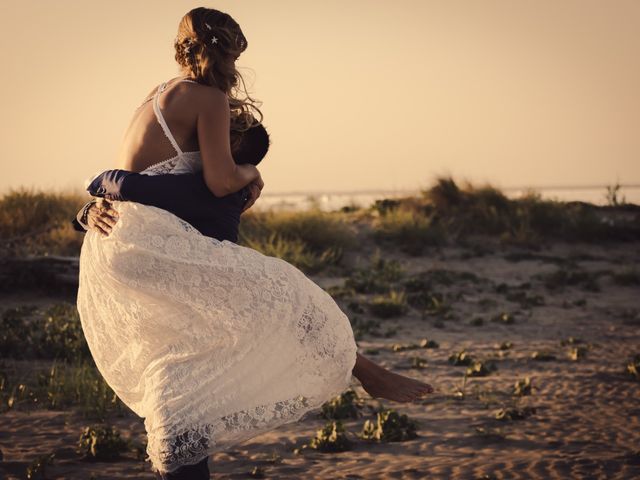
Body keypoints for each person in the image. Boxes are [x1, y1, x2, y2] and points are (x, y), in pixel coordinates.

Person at [75, 7, 433, 479]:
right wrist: (250, 172)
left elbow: (127, 178)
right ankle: (366, 372)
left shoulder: (155, 98)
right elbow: (222, 181)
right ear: (229, 53)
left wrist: (87, 210)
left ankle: (179, 462)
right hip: (149, 244)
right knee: (285, 291)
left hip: (114, 248)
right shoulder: (207, 100)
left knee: (184, 356)